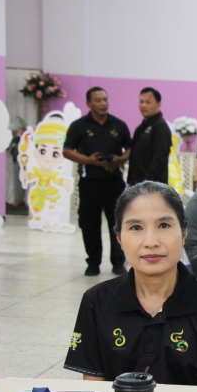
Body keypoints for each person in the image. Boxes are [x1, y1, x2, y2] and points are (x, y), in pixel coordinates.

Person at [63, 182, 197, 386]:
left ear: (184, 232)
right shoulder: (96, 302)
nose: (151, 242)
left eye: (164, 225)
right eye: (136, 228)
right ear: (119, 238)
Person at [63, 87, 132, 277]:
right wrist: (88, 160)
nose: (103, 104)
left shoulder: (119, 125)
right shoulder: (78, 126)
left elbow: (130, 148)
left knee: (117, 224)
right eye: (98, 100)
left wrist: (119, 159)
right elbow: (67, 150)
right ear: (89, 103)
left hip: (114, 183)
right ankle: (93, 263)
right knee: (89, 224)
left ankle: (118, 263)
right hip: (89, 183)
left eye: (105, 99)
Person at [128, 87, 172, 185]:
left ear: (158, 105)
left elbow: (159, 157)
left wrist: (147, 180)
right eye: (141, 102)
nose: (144, 105)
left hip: (152, 185)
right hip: (137, 184)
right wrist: (130, 181)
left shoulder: (160, 126)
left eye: (148, 102)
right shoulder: (140, 128)